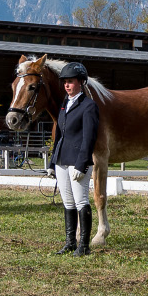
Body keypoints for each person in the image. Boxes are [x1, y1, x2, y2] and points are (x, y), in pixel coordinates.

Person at [50, 62, 101, 256]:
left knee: (81, 201)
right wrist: (52, 162)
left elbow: (89, 138)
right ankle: (70, 242)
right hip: (62, 160)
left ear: (81, 82)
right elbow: (59, 135)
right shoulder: (65, 104)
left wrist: (82, 163)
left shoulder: (88, 106)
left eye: (70, 82)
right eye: (65, 82)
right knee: (68, 202)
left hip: (78, 162)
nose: (66, 85)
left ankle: (84, 246)